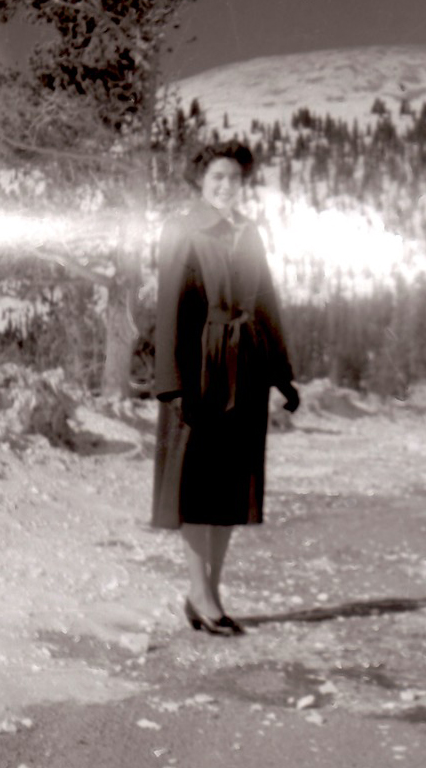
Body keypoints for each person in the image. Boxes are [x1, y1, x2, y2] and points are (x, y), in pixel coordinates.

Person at [152, 140, 300, 636]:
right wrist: (173, 385)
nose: (225, 186)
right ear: (200, 180)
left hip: (248, 369)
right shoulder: (183, 230)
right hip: (201, 372)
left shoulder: (248, 232)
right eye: (217, 177)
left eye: (234, 178)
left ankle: (208, 595)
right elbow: (170, 309)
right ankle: (200, 593)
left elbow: (268, 305)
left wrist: (282, 372)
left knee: (232, 487)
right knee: (198, 487)